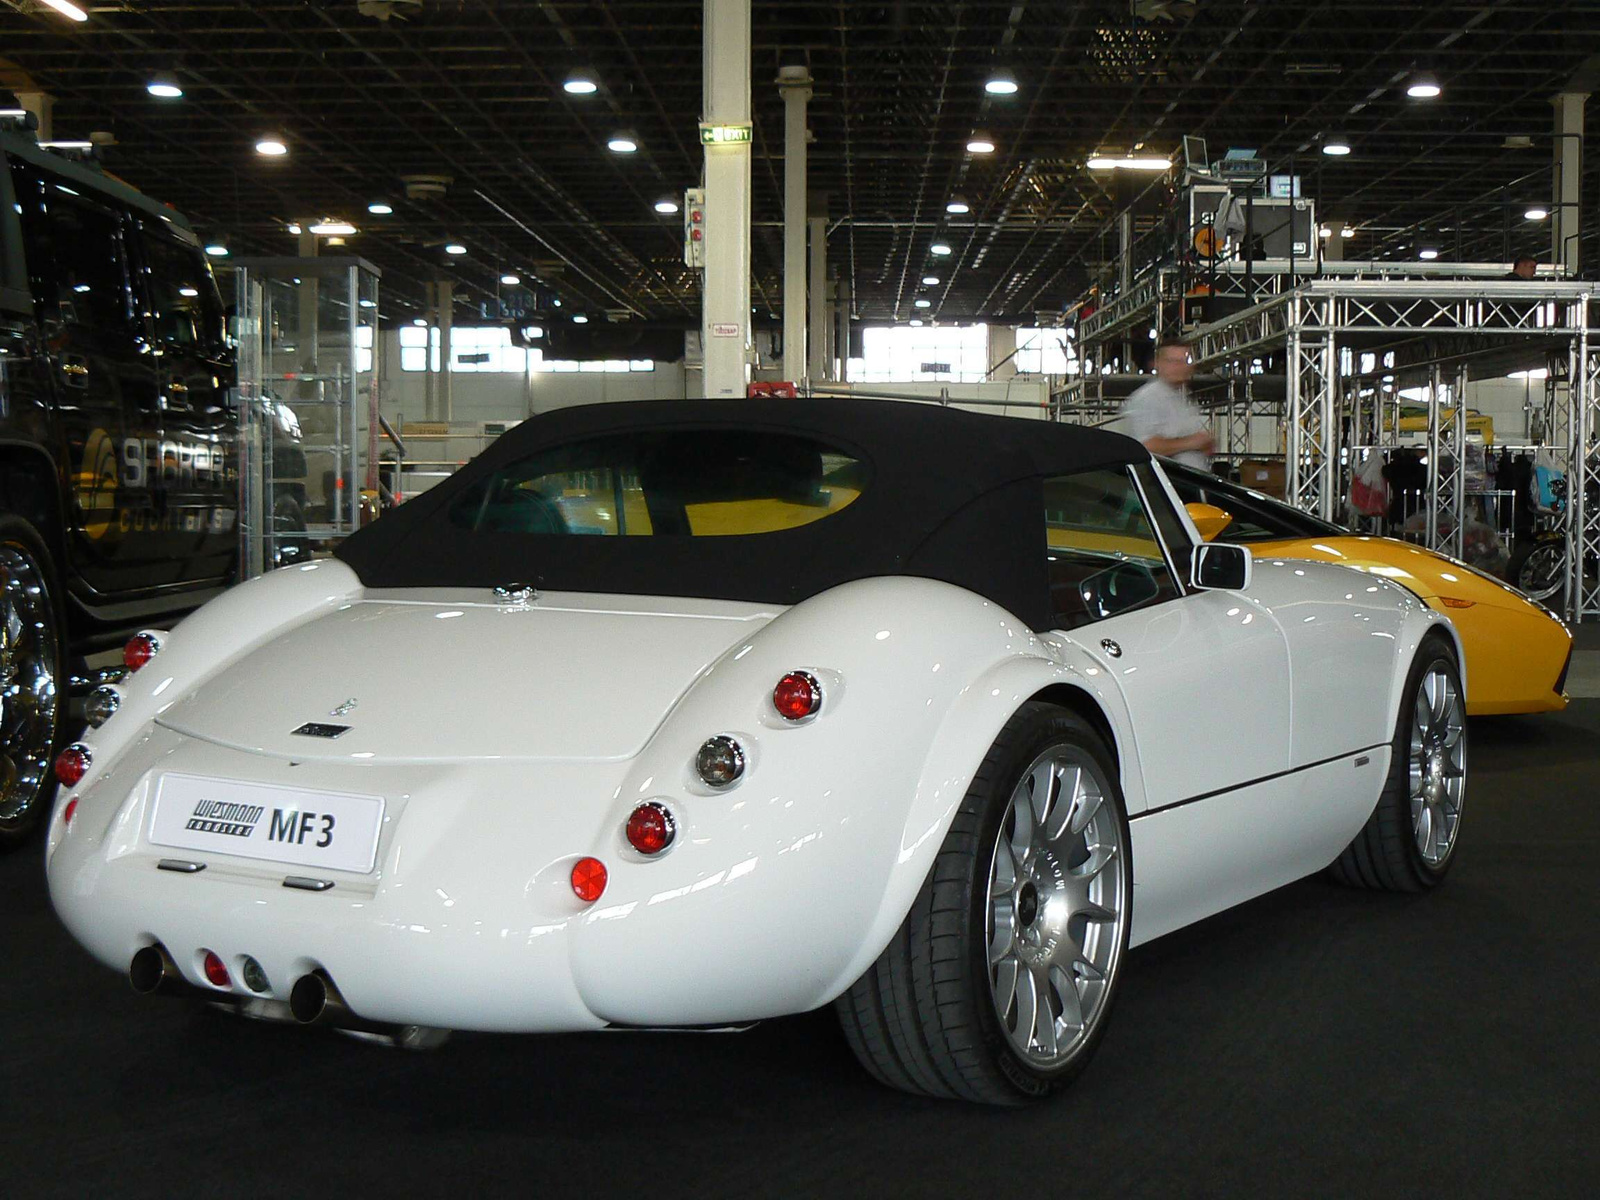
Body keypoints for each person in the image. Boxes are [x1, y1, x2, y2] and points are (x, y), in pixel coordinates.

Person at [1120, 340, 1213, 469]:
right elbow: (1145, 446)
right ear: (1157, 364)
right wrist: (1192, 443)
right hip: (1166, 484)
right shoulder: (1148, 398)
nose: (1180, 366)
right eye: (1173, 361)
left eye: (1185, 361)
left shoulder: (1183, 399)